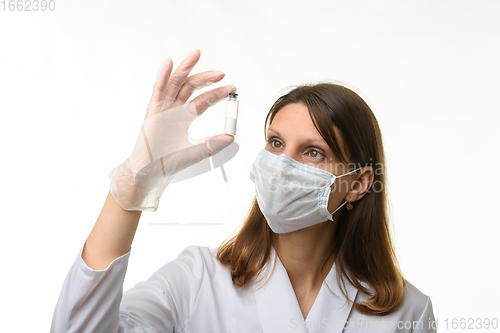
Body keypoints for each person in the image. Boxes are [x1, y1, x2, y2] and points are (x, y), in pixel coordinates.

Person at [50, 50, 436, 333]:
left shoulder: (408, 313)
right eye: (275, 143)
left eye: (313, 152)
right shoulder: (197, 279)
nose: (283, 165)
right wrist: (131, 186)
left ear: (358, 184)